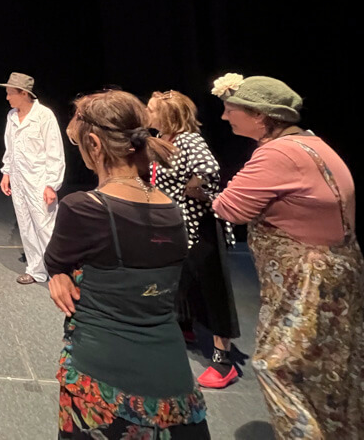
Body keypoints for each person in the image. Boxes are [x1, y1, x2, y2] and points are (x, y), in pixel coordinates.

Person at [44, 89, 209, 439]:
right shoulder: (171, 210)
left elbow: (56, 259)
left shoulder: (83, 208)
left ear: (94, 144)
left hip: (102, 378)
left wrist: (58, 274)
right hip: (173, 377)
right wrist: (59, 273)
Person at [210, 73, 362, 438]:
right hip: (337, 270)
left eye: (232, 109)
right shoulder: (313, 143)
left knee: (280, 368)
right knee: (330, 372)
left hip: (307, 277)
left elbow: (229, 207)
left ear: (260, 116)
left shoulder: (277, 153)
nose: (225, 117)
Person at [147, 90, 240, 390]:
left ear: (168, 115)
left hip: (199, 226)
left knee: (213, 289)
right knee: (179, 280)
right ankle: (184, 327)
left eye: (151, 109)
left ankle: (223, 360)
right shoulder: (162, 139)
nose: (147, 114)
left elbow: (209, 168)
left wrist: (194, 188)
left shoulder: (188, 140)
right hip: (174, 225)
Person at [0, 72, 65, 285]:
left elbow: (55, 151)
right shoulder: (11, 116)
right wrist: (6, 172)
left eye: (11, 93)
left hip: (39, 180)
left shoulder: (44, 115)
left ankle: (59, 273)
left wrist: (51, 184)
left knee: (46, 227)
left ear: (24, 93)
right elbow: (10, 147)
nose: (7, 97)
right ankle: (36, 270)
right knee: (26, 226)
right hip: (19, 179)